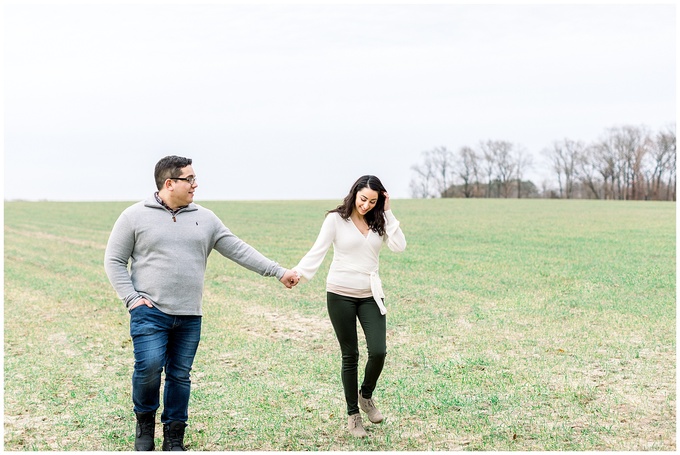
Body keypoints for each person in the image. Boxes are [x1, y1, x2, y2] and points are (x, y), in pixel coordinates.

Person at [104, 155, 299, 451]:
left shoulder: (205, 218)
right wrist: (132, 299)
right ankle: (144, 427)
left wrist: (278, 271)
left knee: (180, 376)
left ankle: (174, 438)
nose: (196, 184)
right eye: (190, 179)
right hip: (149, 312)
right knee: (149, 367)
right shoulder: (133, 216)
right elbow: (114, 261)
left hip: (189, 315)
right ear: (169, 184)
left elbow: (238, 249)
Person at [292, 175, 406, 438]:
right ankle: (353, 415)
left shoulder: (378, 221)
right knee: (350, 355)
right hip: (340, 293)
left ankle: (366, 396)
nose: (366, 205)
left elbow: (399, 246)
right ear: (355, 193)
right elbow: (317, 250)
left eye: (373, 201)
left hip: (370, 294)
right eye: (363, 198)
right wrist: (299, 273)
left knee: (379, 351)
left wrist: (388, 212)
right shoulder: (335, 219)